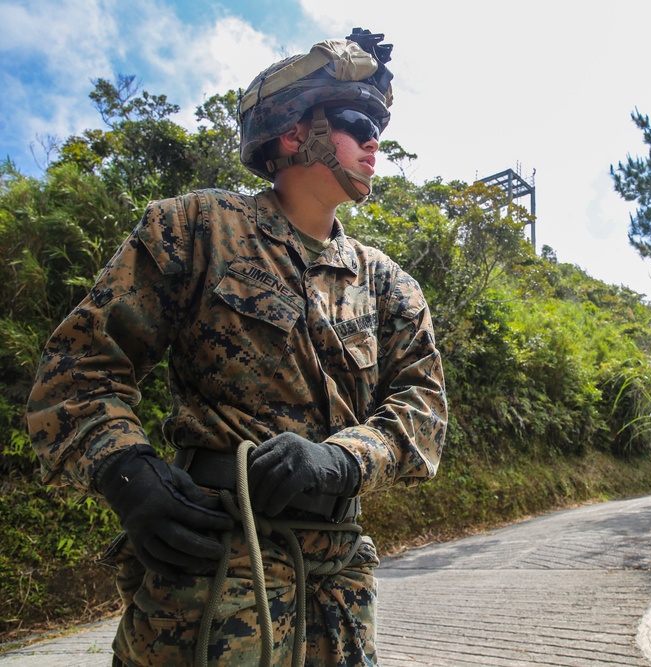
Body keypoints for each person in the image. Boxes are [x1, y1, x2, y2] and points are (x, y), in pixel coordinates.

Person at [25, 28, 447, 667]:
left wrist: (342, 460)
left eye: (377, 126)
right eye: (355, 120)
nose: (373, 141)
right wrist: (128, 476)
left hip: (340, 589)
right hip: (214, 576)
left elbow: (423, 410)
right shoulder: (196, 228)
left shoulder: (388, 282)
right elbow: (78, 370)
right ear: (290, 132)